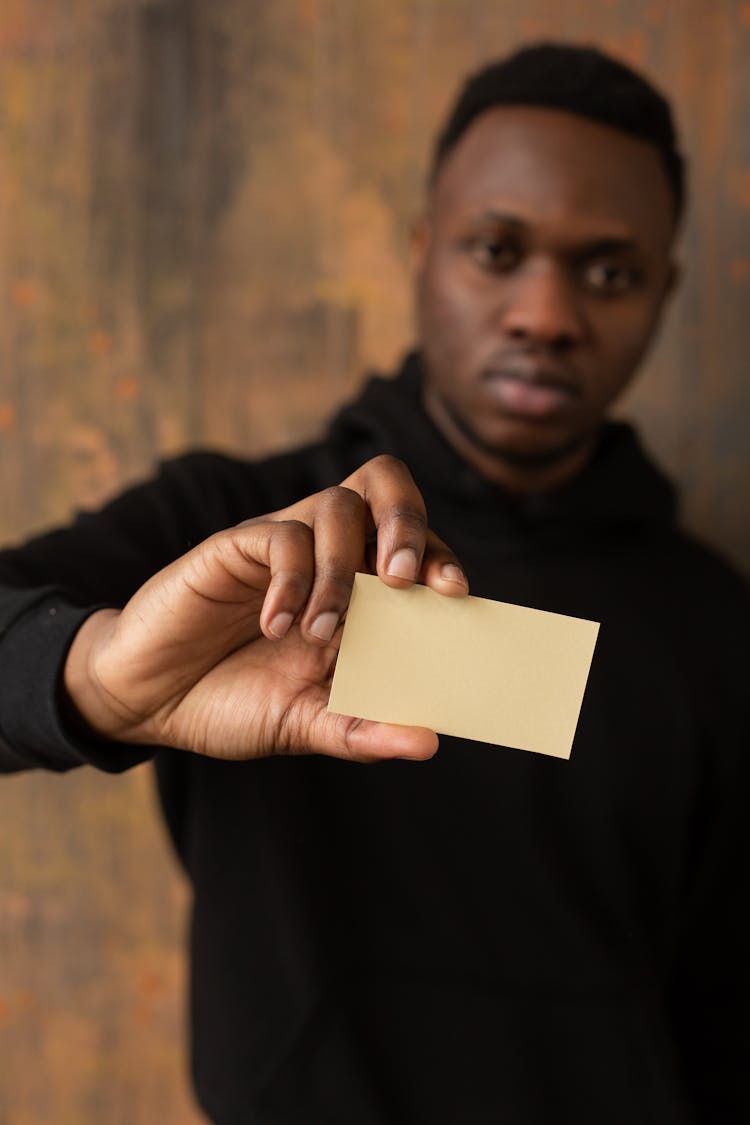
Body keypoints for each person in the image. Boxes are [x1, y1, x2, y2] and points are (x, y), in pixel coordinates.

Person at [0, 42, 747, 1125]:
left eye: (610, 272)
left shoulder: (714, 622)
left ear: (665, 294)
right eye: (498, 250)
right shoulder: (234, 532)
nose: (546, 313)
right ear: (420, 249)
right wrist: (97, 682)